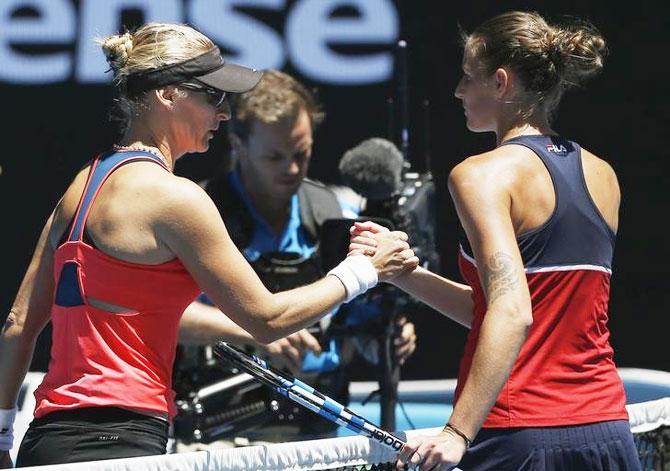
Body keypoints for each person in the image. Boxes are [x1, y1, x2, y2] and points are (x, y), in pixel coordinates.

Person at [0, 23, 418, 468]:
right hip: (123, 442)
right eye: (213, 96)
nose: (224, 113)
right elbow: (268, 319)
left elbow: (17, 324)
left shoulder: (82, 185)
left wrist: (2, 434)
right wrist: (366, 269)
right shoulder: (177, 198)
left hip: (46, 442)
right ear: (168, 95)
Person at [351, 10, 641, 471]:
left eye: (468, 77)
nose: (458, 91)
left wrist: (457, 431)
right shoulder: (603, 174)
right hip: (606, 430)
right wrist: (406, 275)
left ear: (501, 83)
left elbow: (512, 311)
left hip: (517, 434)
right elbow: (504, 310)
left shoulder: (480, 176)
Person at [175, 69, 417, 441]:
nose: (292, 169)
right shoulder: (198, 212)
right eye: (274, 157)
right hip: (218, 431)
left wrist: (384, 335)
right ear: (238, 145)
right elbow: (160, 313)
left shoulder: (336, 213)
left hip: (318, 426)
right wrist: (257, 328)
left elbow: (357, 319)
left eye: (301, 154)